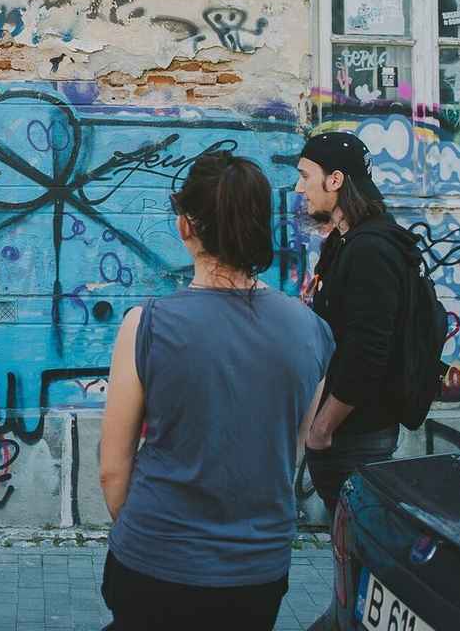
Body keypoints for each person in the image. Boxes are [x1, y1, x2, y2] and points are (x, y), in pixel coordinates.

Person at [99, 151, 334, 631]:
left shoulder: (146, 325)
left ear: (186, 225)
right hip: (257, 571)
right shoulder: (310, 329)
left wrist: (147, 538)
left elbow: (112, 469)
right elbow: (293, 443)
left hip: (154, 560)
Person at [296, 131, 420, 514]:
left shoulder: (370, 250)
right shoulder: (346, 241)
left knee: (359, 541)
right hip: (347, 433)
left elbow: (368, 352)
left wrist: (323, 428)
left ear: (334, 180)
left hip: (356, 435)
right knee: (348, 542)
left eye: (305, 176)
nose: (299, 188)